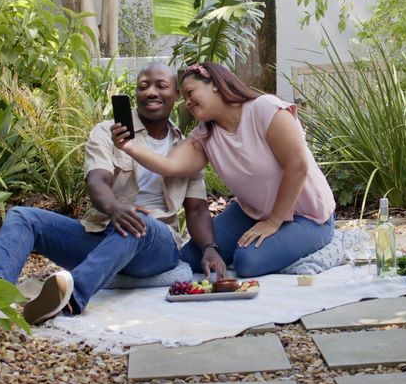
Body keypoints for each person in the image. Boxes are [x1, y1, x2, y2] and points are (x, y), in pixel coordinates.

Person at [0, 63, 213, 325]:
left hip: (156, 244)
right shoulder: (107, 132)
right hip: (101, 233)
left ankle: (70, 298)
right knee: (23, 217)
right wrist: (115, 209)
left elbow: (197, 209)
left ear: (176, 95)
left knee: (138, 224)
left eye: (161, 86)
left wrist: (210, 247)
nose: (151, 92)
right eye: (143, 86)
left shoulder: (186, 147)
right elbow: (97, 182)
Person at [112, 62, 335, 278]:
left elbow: (297, 166)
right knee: (191, 256)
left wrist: (273, 222)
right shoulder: (205, 135)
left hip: (307, 216)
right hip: (253, 213)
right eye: (185, 98)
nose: (187, 102)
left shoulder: (265, 109)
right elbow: (170, 166)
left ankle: (323, 242)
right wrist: (128, 146)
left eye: (191, 92)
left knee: (247, 262)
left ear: (215, 84)